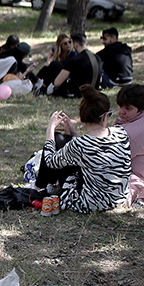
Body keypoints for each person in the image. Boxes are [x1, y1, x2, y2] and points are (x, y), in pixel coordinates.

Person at [42, 85, 131, 214]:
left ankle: (40, 186)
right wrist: (74, 133)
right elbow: (95, 148)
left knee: (59, 143)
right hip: (119, 198)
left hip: (91, 204)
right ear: (105, 117)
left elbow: (50, 161)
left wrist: (50, 128)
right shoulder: (121, 133)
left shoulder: (79, 145)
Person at [48, 33, 101, 98]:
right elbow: (100, 79)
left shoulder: (74, 60)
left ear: (76, 45)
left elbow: (57, 83)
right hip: (95, 90)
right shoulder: (97, 57)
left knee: (55, 64)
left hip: (78, 93)